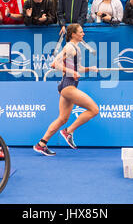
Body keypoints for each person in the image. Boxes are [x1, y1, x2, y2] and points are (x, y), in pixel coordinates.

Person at [33, 23, 99, 156]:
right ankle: (68, 131)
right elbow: (54, 64)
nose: (83, 34)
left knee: (62, 118)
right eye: (80, 32)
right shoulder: (69, 47)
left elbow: (78, 68)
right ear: (73, 34)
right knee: (94, 110)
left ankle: (41, 144)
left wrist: (89, 69)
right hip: (68, 85)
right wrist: (71, 72)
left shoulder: (76, 48)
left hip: (67, 85)